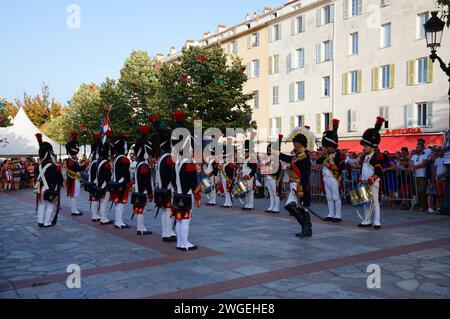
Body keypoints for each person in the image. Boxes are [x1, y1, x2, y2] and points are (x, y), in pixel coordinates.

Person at [171, 111, 202, 251]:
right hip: (187, 194)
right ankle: (185, 243)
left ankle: (179, 243)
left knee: (178, 218)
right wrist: (198, 196)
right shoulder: (188, 162)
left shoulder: (176, 162)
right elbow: (193, 182)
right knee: (186, 220)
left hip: (176, 194)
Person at [280, 127, 313, 238]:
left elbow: (305, 173)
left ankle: (305, 227)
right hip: (296, 183)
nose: (294, 144)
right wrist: (278, 153)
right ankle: (307, 229)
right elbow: (290, 159)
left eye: (295, 142)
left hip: (300, 184)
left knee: (291, 205)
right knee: (302, 208)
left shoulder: (304, 155)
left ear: (300, 143)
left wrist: (302, 187)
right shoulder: (299, 155)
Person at [358, 117, 386, 230]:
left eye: (365, 146)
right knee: (366, 201)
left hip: (373, 182)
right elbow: (362, 169)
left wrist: (372, 179)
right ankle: (367, 220)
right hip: (364, 181)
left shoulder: (378, 156)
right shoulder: (364, 156)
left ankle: (377, 221)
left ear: (372, 146)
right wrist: (361, 178)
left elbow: (378, 171)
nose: (364, 148)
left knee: (375, 201)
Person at [317, 119, 346, 223]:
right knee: (329, 196)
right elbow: (317, 161)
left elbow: (342, 168)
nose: (326, 148)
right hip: (326, 177)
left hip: (334, 177)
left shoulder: (339, 155)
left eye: (327, 146)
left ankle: (338, 215)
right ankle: (331, 213)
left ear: (332, 146)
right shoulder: (326, 154)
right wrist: (321, 155)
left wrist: (328, 165)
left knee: (336, 196)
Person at [34, 134, 64, 228]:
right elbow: (60, 179)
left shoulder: (37, 167)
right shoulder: (53, 167)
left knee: (41, 205)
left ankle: (40, 221)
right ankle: (47, 222)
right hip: (50, 189)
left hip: (40, 189)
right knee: (50, 206)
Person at [155, 125, 177, 243]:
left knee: (165, 211)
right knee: (168, 211)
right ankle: (167, 233)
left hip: (162, 187)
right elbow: (170, 175)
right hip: (168, 188)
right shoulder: (168, 158)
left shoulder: (161, 157)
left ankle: (166, 232)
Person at [132, 125, 154, 236]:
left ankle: (140, 227)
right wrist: (150, 193)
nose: (151, 157)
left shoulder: (139, 164)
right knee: (142, 209)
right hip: (142, 191)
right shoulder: (144, 166)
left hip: (139, 190)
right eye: (150, 154)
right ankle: (140, 228)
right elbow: (146, 182)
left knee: (140, 209)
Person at [89, 133, 114, 225]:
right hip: (103, 185)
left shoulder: (97, 162)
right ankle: (104, 218)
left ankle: (94, 215)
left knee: (95, 199)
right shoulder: (105, 163)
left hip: (96, 184)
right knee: (104, 201)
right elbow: (107, 176)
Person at [110, 133, 132, 229]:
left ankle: (118, 221)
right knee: (120, 202)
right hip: (121, 184)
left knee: (118, 202)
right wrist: (127, 182)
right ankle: (119, 222)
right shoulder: (124, 159)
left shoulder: (117, 157)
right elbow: (125, 174)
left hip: (117, 182)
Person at [65, 131, 86, 216]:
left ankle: (74, 209)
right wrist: (85, 165)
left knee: (74, 195)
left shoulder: (72, 160)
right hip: (73, 179)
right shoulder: (71, 161)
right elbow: (78, 168)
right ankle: (74, 210)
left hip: (73, 179)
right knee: (75, 195)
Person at [262, 135, 283, 214]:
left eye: (270, 150)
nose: (269, 151)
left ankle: (276, 207)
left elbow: (277, 169)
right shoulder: (268, 159)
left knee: (276, 193)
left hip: (274, 178)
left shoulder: (276, 160)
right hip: (268, 177)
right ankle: (271, 206)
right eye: (268, 150)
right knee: (271, 193)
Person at [411, 142, 430, 212]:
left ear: (422, 148)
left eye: (418, 147)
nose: (416, 148)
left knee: (421, 191)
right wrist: (411, 167)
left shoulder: (425, 155)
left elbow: (424, 163)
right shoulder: (414, 155)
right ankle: (418, 205)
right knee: (416, 191)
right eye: (416, 147)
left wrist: (414, 167)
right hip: (415, 176)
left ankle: (423, 206)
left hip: (422, 176)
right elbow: (411, 162)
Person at [241, 139, 258, 211]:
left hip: (250, 177)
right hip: (245, 177)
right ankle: (248, 204)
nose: (244, 153)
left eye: (245, 152)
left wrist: (249, 175)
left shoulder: (252, 158)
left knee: (250, 191)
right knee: (247, 191)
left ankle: (251, 205)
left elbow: (254, 169)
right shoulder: (246, 159)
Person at [220, 142, 236, 208]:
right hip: (223, 179)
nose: (223, 158)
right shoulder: (223, 163)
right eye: (223, 157)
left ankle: (229, 203)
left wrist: (230, 179)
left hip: (228, 179)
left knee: (228, 191)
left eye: (225, 157)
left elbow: (231, 172)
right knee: (226, 192)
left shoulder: (229, 164)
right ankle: (226, 202)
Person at [435, 147, 446, 212]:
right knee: (439, 194)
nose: (438, 152)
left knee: (444, 193)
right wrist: (435, 177)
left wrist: (442, 175)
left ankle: (444, 205)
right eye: (437, 151)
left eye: (439, 151)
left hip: (444, 179)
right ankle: (441, 205)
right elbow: (436, 169)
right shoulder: (437, 159)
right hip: (437, 179)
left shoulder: (446, 158)